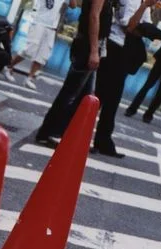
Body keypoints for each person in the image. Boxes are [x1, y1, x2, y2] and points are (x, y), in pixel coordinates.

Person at [34, 0, 111, 147]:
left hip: (89, 44)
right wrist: (94, 51)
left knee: (83, 95)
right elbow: (94, 16)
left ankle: (59, 132)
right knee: (71, 93)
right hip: (87, 46)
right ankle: (50, 131)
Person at [91, 0, 157, 158]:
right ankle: (83, 134)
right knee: (100, 95)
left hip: (125, 50)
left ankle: (103, 141)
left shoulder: (144, 3)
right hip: (115, 47)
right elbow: (130, 26)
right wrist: (143, 8)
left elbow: (146, 26)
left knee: (113, 99)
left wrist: (144, 11)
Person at [3, 0, 79, 90]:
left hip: (52, 27)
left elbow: (73, 5)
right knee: (29, 50)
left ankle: (30, 78)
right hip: (38, 22)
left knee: (43, 55)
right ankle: (9, 66)